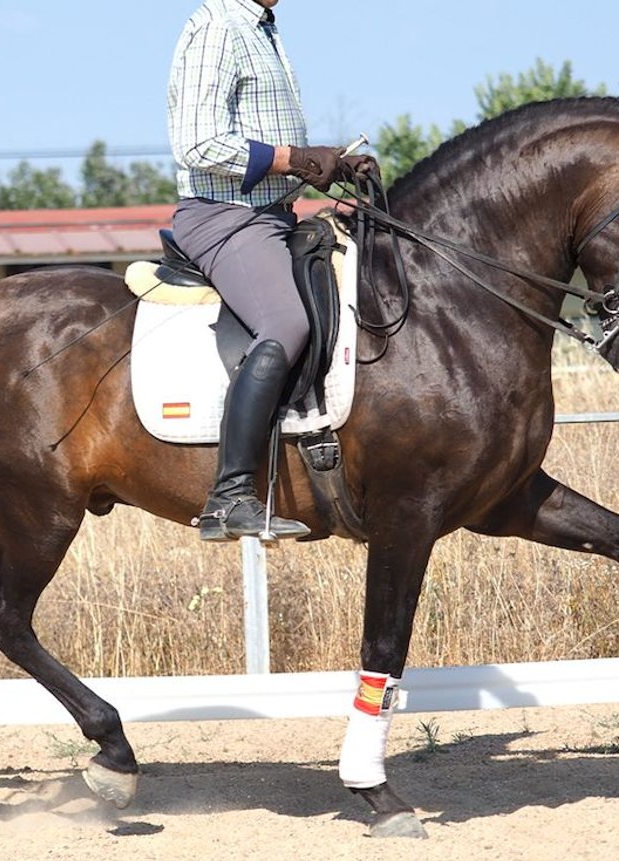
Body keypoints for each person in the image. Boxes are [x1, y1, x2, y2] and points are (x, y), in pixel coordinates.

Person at [168, 0, 378, 542]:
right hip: (226, 219)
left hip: (275, 214)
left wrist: (328, 161)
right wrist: (296, 160)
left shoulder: (261, 27)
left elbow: (267, 139)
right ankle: (231, 495)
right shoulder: (218, 26)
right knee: (286, 324)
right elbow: (197, 143)